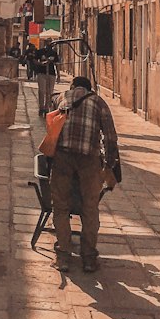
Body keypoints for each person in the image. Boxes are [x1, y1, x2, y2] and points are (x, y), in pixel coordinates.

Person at [50, 76, 120, 274]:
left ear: (73, 86)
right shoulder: (99, 102)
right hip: (89, 158)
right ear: (90, 89)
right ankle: (88, 257)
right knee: (90, 207)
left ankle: (63, 255)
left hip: (63, 156)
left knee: (60, 205)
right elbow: (110, 136)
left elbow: (51, 115)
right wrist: (110, 164)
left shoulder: (62, 97)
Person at [35, 42, 59, 116]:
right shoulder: (40, 51)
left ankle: (46, 108)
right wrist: (41, 64)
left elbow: (57, 64)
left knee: (50, 92)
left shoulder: (54, 53)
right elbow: (35, 61)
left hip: (51, 74)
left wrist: (59, 75)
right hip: (42, 73)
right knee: (42, 91)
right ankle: (41, 107)